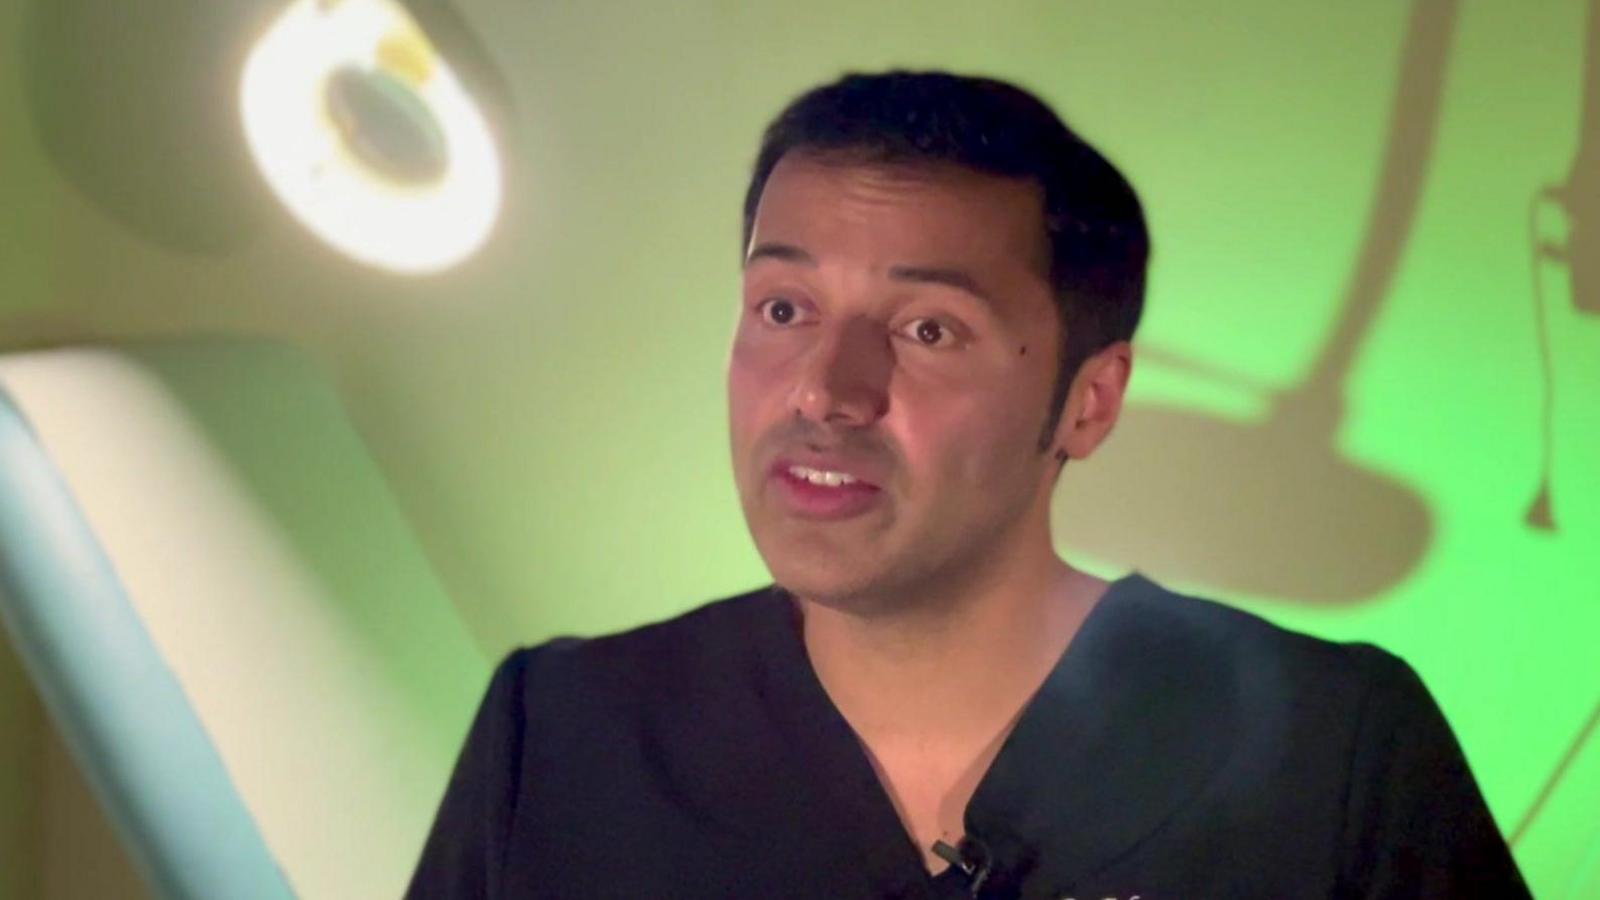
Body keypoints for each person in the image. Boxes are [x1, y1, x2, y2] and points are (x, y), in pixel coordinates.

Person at [406, 71, 1529, 899]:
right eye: (783, 310)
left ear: (1088, 402)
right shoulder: (562, 735)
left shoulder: (1333, 756)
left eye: (928, 328)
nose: (827, 393)